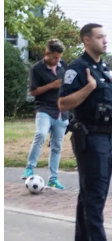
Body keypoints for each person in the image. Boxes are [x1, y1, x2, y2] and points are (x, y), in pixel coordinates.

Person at [57, 23, 112, 241]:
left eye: (105, 36)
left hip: (106, 137)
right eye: (99, 37)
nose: (105, 40)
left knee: (90, 193)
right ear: (87, 40)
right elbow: (63, 103)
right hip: (90, 137)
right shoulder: (78, 69)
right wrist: (88, 88)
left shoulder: (103, 68)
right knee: (95, 195)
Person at [23, 38, 69, 189]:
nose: (58, 60)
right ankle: (30, 167)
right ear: (47, 54)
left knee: (57, 146)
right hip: (44, 109)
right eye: (55, 57)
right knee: (41, 135)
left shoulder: (63, 67)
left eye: (59, 58)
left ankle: (53, 179)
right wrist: (51, 85)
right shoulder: (37, 69)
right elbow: (33, 91)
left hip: (61, 112)